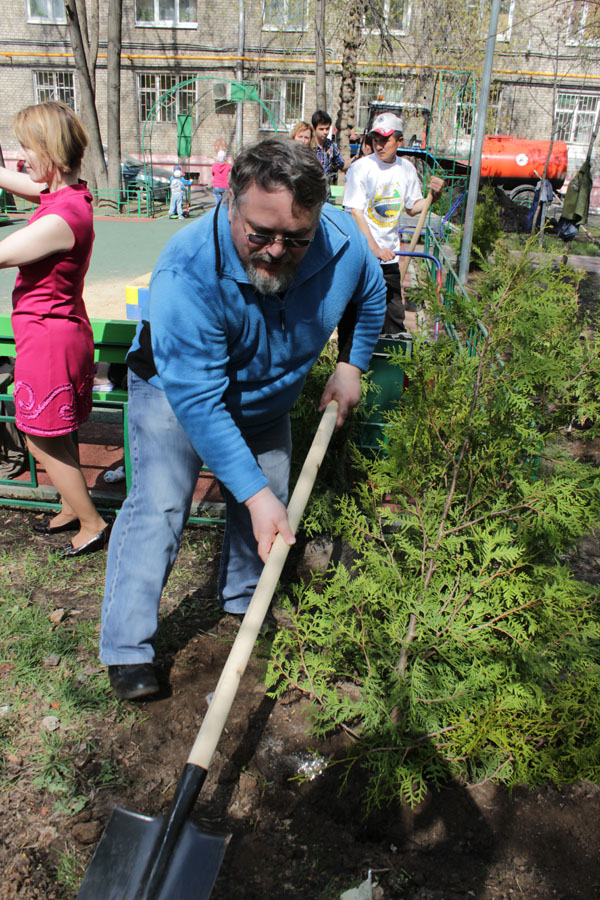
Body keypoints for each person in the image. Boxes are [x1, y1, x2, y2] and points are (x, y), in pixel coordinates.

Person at [100, 137, 386, 700]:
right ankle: (128, 649)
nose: (276, 251)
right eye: (260, 233)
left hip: (268, 399)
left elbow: (370, 294)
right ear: (230, 202)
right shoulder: (188, 271)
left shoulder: (343, 244)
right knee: (160, 502)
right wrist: (253, 494)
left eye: (295, 238)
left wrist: (352, 365)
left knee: (268, 497)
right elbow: (200, 404)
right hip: (176, 396)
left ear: (318, 218)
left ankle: (243, 599)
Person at [0, 101, 110, 557]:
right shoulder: (69, 195)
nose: (21, 157)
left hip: (49, 338)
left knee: (39, 434)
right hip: (57, 331)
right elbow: (27, 185)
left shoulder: (60, 219)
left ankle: (91, 521)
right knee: (55, 429)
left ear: (53, 152)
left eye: (28, 147)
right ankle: (71, 504)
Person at [343, 112, 444, 335]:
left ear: (399, 141)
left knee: (393, 318)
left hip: (390, 258)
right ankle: (350, 364)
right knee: (355, 317)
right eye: (375, 139)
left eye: (385, 140)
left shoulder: (406, 169)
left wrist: (432, 198)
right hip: (362, 256)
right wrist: (375, 249)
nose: (379, 145)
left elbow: (412, 207)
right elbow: (356, 213)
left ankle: (389, 365)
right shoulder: (361, 168)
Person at [311, 109, 349, 184]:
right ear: (314, 129)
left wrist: (357, 156)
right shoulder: (308, 145)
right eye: (321, 129)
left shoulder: (331, 146)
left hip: (326, 188)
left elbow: (342, 165)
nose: (325, 132)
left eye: (327, 129)